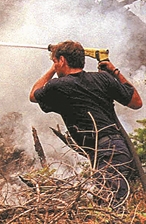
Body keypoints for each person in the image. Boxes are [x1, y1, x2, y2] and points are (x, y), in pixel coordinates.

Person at [29, 40, 143, 207]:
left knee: (111, 207)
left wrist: (54, 68)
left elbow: (33, 95)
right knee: (106, 205)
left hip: (107, 152)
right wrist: (114, 71)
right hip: (115, 150)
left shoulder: (58, 86)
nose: (55, 66)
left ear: (62, 61)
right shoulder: (103, 79)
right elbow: (136, 102)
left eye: (55, 61)